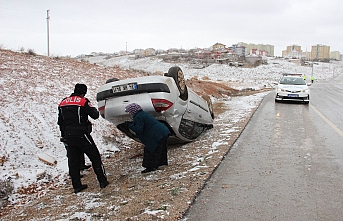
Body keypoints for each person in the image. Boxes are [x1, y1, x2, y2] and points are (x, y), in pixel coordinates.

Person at [58, 83, 109, 193]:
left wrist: (64, 135)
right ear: (84, 92)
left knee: (74, 161)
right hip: (82, 134)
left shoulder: (63, 102)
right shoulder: (83, 101)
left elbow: (60, 121)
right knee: (95, 157)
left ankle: (77, 186)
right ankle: (102, 181)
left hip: (68, 135)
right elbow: (95, 115)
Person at [125, 103, 170, 173]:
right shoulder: (142, 114)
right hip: (163, 131)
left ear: (133, 111)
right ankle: (161, 163)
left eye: (129, 112)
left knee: (151, 150)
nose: (129, 113)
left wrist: (129, 125)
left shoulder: (138, 116)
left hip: (157, 134)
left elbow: (139, 129)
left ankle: (151, 167)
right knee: (161, 149)